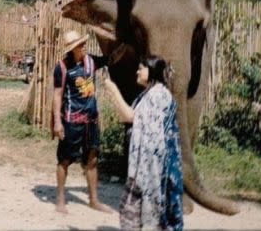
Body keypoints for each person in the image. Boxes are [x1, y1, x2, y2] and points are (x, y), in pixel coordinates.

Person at [103, 55, 184, 231]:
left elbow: (130, 117)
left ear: (152, 71)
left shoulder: (158, 95)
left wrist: (113, 91)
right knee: (132, 211)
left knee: (151, 215)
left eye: (141, 68)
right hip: (143, 166)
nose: (137, 71)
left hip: (155, 169)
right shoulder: (148, 94)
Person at [52, 30, 113, 214]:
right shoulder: (62, 68)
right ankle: (61, 199)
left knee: (92, 160)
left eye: (84, 43)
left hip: (91, 121)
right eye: (80, 44)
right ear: (72, 49)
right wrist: (57, 122)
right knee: (65, 160)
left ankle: (93, 200)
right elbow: (57, 95)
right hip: (72, 121)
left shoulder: (91, 61)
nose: (84, 46)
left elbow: (111, 57)